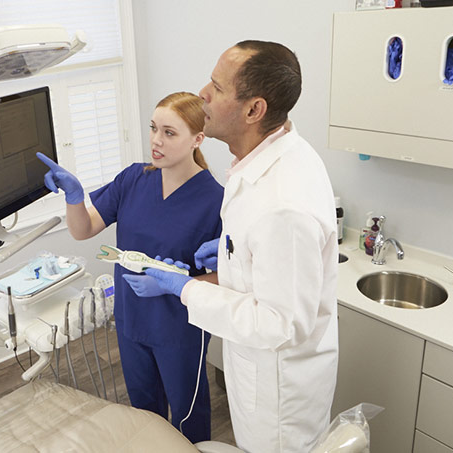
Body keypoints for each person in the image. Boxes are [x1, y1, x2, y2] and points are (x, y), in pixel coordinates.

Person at [125, 41, 339, 452]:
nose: (203, 93)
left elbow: (280, 324)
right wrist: (231, 255)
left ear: (253, 110)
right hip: (258, 375)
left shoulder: (283, 206)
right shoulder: (273, 152)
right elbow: (267, 268)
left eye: (218, 88)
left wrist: (183, 287)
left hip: (278, 400)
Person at [36, 91, 224, 443]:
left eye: (170, 133)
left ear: (198, 139)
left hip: (180, 329)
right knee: (143, 414)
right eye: (154, 128)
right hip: (131, 320)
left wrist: (176, 282)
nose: (156, 140)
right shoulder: (134, 179)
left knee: (187, 418)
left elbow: (229, 275)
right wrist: (75, 198)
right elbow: (83, 229)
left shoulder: (217, 200)